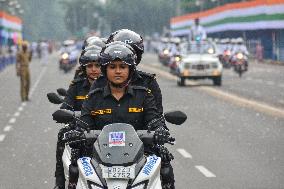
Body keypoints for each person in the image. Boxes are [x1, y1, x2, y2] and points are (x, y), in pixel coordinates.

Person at [91, 30, 175, 189]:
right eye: (113, 65)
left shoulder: (146, 86)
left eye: (123, 64)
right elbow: (86, 117)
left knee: (165, 164)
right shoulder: (97, 88)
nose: (118, 70)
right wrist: (79, 132)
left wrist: (159, 132)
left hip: (142, 147)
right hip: (101, 149)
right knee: (77, 161)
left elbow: (155, 117)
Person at [53, 49, 102, 189]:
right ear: (84, 68)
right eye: (90, 66)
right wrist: (70, 115)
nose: (93, 70)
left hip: (106, 130)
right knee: (63, 135)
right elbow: (65, 107)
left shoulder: (112, 86)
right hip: (80, 130)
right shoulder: (76, 85)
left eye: (97, 66)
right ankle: (60, 181)